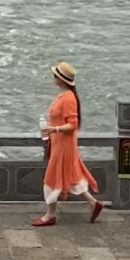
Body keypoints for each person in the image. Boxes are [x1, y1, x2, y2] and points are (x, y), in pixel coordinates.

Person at [32, 61, 103, 227]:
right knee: (71, 176)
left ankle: (50, 214)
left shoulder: (68, 99)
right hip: (60, 143)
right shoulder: (64, 95)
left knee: (51, 177)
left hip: (64, 145)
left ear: (62, 79)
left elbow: (73, 124)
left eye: (56, 75)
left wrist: (53, 129)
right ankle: (93, 203)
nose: (53, 77)